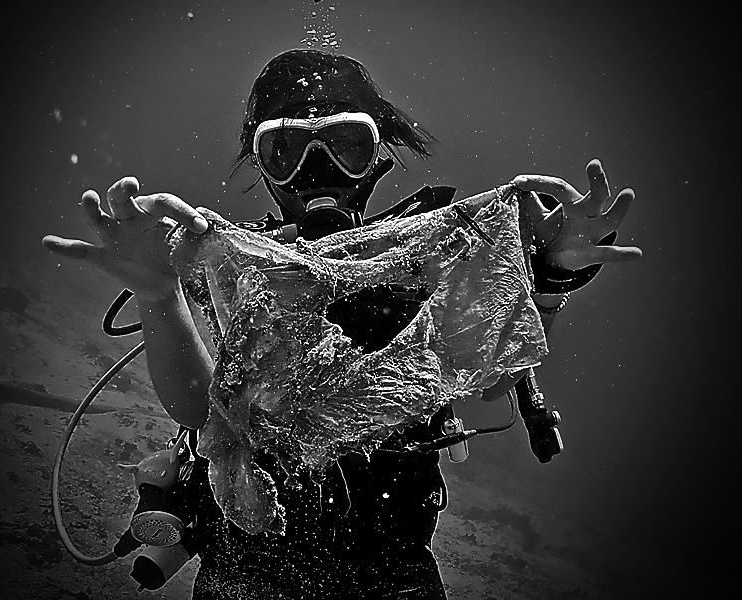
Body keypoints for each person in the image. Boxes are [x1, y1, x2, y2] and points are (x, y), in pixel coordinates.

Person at [43, 49, 641, 599]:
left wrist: (549, 281)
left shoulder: (431, 254)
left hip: (393, 572)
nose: (316, 170)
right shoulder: (239, 261)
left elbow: (487, 386)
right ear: (262, 163)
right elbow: (205, 413)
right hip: (246, 569)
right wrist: (157, 293)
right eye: (287, 150)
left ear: (377, 157)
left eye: (347, 145)